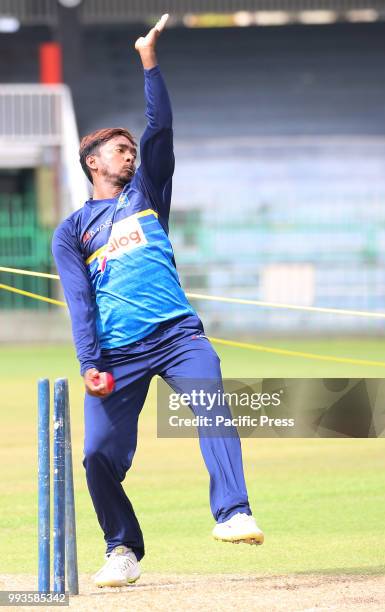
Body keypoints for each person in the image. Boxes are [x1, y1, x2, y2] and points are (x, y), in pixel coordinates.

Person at [52, 14, 263, 588]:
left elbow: (159, 130)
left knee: (212, 404)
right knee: (98, 456)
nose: (129, 156)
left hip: (177, 337)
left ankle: (234, 511)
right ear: (92, 162)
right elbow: (79, 303)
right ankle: (122, 548)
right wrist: (90, 364)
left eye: (129, 150)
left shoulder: (147, 193)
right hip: (117, 356)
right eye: (119, 151)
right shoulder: (74, 231)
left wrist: (149, 61)